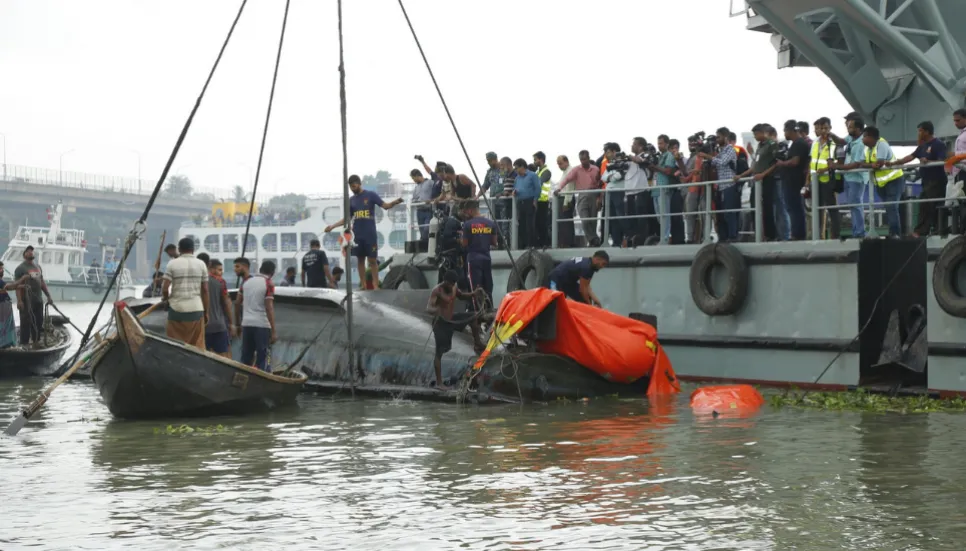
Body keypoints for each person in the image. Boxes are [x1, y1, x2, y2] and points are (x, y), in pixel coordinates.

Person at [323, 174, 403, 290]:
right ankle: (364, 285)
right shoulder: (351, 200)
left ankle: (375, 285)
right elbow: (347, 218)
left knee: (372, 259)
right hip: (357, 233)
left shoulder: (370, 195)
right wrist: (332, 226)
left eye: (354, 186)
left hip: (370, 233)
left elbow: (385, 206)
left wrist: (395, 202)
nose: (353, 189)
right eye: (351, 187)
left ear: (359, 184)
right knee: (360, 259)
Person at [426, 270, 484, 389]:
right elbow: (429, 307)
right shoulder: (437, 291)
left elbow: (461, 295)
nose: (452, 286)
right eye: (450, 284)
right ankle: (439, 383)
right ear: (445, 282)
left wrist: (474, 294)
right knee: (439, 353)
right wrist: (435, 310)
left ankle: (477, 343)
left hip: (452, 319)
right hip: (441, 323)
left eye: (453, 284)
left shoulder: (454, 287)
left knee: (473, 316)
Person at [889, 120, 947, 237]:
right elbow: (912, 156)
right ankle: (925, 231)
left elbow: (942, 160)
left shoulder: (938, 144)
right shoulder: (922, 145)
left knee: (930, 205)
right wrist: (897, 162)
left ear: (927, 131)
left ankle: (928, 230)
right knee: (926, 204)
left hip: (936, 180)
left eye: (920, 131)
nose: (919, 133)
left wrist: (928, 161)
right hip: (926, 180)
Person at [161, 237, 209, 349]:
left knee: (175, 345)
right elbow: (205, 290)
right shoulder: (201, 264)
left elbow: (165, 288)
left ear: (179, 249)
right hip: (196, 309)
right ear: (193, 249)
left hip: (177, 310)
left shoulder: (172, 264)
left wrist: (166, 300)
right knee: (197, 346)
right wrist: (206, 312)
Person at [829, 113, 870, 238]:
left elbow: (856, 164)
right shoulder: (852, 138)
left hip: (857, 178)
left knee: (856, 204)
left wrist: (837, 166)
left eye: (850, 127)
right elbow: (842, 141)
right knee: (853, 204)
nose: (848, 128)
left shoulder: (861, 143)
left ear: (858, 128)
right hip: (849, 177)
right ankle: (856, 231)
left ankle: (859, 233)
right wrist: (831, 134)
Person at [860, 126, 905, 237]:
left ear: (871, 137)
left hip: (894, 180)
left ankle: (895, 234)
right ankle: (893, 232)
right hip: (880, 183)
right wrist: (871, 165)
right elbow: (861, 163)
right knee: (889, 208)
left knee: (891, 207)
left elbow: (879, 164)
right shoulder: (866, 148)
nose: (862, 139)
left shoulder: (882, 144)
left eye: (864, 137)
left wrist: (871, 165)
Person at [554, 150, 602, 246]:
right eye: (581, 160)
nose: (583, 162)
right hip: (582, 195)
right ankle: (594, 239)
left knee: (593, 220)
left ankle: (592, 242)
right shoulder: (576, 170)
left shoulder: (596, 169)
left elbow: (600, 185)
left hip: (594, 194)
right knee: (584, 220)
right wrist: (559, 189)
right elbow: (566, 180)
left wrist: (599, 198)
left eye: (585, 159)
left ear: (588, 158)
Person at [236, 260, 277, 371]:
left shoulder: (246, 282)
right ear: (272, 273)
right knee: (264, 357)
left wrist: (238, 324)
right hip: (262, 325)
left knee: (246, 357)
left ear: (260, 270)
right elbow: (269, 307)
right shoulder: (269, 283)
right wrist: (273, 331)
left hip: (246, 324)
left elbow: (237, 303)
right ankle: (264, 380)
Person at [775, 120, 810, 240]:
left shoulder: (799, 143)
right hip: (791, 181)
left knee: (794, 207)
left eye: (785, 130)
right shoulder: (796, 143)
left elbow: (795, 161)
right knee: (793, 207)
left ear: (790, 130)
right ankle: (797, 233)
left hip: (794, 181)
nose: (784, 133)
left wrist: (782, 163)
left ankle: (797, 234)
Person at [809, 117, 842, 239]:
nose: (823, 131)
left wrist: (826, 169)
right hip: (815, 180)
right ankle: (818, 236)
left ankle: (835, 235)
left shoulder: (835, 143)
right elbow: (811, 162)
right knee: (817, 209)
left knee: (832, 208)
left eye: (826, 128)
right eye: (821, 128)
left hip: (828, 179)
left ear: (830, 128)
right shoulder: (815, 143)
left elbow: (839, 162)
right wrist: (808, 181)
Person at [14, 246, 54, 345]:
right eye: (28, 251)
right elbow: (17, 285)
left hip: (38, 300)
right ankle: (24, 344)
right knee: (25, 323)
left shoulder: (38, 267)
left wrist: (48, 295)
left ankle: (36, 342)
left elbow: (42, 282)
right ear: (24, 255)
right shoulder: (20, 269)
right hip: (26, 301)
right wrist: (19, 301)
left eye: (32, 251)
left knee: (38, 322)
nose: (31, 253)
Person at [460, 200, 497, 307]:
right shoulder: (491, 224)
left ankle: (477, 313)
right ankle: (489, 309)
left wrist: (461, 239)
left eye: (466, 212)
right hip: (487, 258)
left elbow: (464, 244)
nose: (466, 215)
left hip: (473, 259)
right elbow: (494, 243)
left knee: (475, 288)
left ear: (471, 210)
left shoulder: (467, 225)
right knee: (488, 286)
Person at [205, 259, 234, 358]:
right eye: (219, 270)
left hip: (203, 325)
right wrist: (231, 323)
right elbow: (226, 303)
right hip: (219, 324)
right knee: (224, 354)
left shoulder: (199, 282)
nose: (221, 273)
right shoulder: (220, 282)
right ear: (211, 269)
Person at [511, 159, 540, 249]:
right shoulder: (517, 178)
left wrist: (535, 200)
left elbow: (538, 188)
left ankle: (532, 245)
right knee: (521, 224)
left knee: (530, 224)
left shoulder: (532, 175)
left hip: (529, 201)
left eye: (516, 168)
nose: (515, 170)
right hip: (520, 202)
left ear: (522, 167)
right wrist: (514, 192)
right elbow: (515, 188)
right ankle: (523, 244)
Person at [1, 262, 27, 349]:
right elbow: (10, 286)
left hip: (4, 308)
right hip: (2, 309)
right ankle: (5, 345)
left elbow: (12, 287)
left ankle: (7, 344)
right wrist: (22, 278)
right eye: (1, 269)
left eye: (2, 269)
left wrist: (23, 286)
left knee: (6, 327)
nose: (2, 271)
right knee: (4, 327)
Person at [555, 155, 577, 248]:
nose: (559, 166)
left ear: (566, 161)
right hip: (563, 198)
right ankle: (565, 242)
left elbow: (569, 188)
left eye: (560, 163)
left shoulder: (570, 171)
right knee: (563, 222)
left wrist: (566, 203)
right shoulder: (565, 172)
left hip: (566, 199)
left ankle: (567, 243)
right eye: (558, 164)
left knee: (566, 223)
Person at [533, 151, 553, 247]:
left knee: (542, 223)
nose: (534, 162)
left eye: (535, 160)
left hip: (543, 201)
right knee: (537, 223)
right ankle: (541, 243)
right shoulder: (538, 172)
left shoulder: (546, 172)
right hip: (538, 200)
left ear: (540, 160)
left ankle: (545, 243)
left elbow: (539, 184)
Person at [410, 168, 435, 244]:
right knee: (421, 229)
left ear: (417, 176)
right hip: (419, 211)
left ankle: (426, 243)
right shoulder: (416, 188)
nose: (413, 180)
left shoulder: (430, 182)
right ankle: (424, 245)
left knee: (427, 229)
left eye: (413, 178)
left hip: (428, 210)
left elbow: (437, 191)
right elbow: (413, 199)